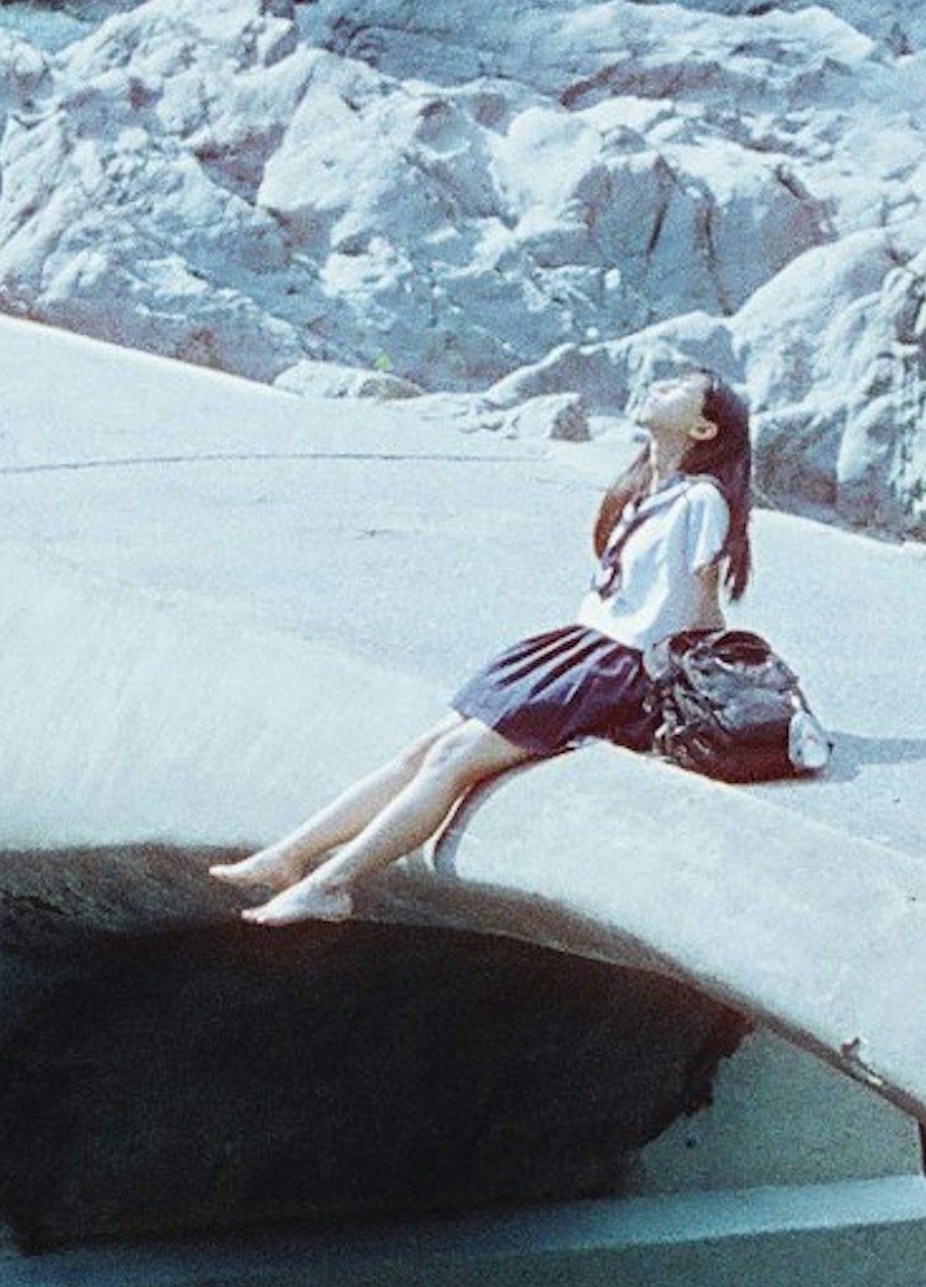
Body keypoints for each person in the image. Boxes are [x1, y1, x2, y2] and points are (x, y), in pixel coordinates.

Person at [212, 370, 757, 925]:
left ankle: (332, 884)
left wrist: (719, 682)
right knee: (425, 748)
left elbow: (703, 606)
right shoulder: (645, 488)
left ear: (703, 427)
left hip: (616, 667)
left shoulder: (702, 500)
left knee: (452, 760)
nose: (659, 387)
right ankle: (291, 855)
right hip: (577, 648)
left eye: (678, 389)